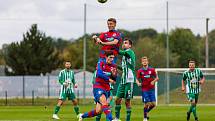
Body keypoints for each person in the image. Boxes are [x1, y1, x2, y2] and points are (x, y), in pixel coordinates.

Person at [78, 51, 117, 121]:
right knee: (105, 103)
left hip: (107, 88)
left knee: (98, 111)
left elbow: (114, 79)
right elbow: (99, 73)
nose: (112, 59)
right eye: (110, 57)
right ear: (106, 57)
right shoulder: (101, 62)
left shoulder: (113, 65)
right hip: (98, 87)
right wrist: (109, 79)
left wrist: (114, 76)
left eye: (113, 58)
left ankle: (82, 115)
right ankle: (111, 119)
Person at [114, 38, 136, 121]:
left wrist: (114, 46)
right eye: (123, 43)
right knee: (117, 100)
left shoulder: (130, 52)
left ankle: (128, 119)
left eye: (126, 43)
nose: (124, 44)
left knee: (127, 101)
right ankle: (117, 118)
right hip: (123, 81)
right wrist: (115, 65)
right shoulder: (124, 55)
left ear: (130, 45)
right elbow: (124, 68)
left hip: (129, 80)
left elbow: (119, 52)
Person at [136, 56, 159, 121]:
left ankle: (146, 112)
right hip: (144, 89)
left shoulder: (152, 70)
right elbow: (136, 79)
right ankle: (145, 117)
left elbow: (157, 78)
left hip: (151, 89)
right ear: (141, 63)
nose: (144, 62)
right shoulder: (140, 71)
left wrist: (153, 81)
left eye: (145, 61)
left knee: (154, 104)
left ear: (148, 62)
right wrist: (138, 83)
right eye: (143, 61)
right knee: (147, 104)